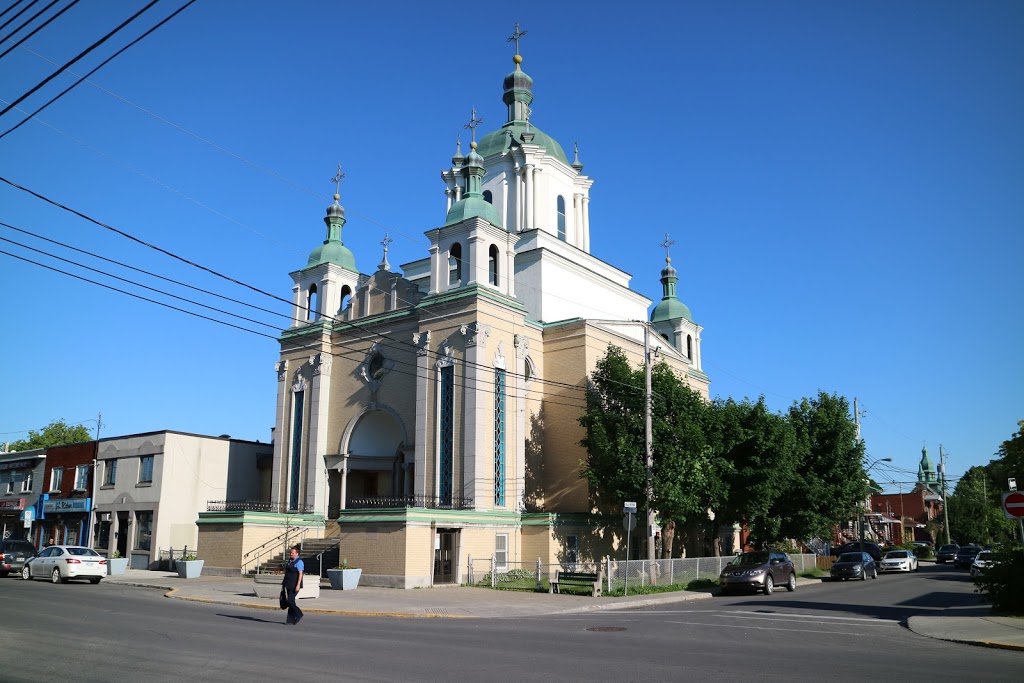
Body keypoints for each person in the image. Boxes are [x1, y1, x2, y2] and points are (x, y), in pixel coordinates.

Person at [282, 545, 304, 625]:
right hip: (288, 584)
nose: (291, 554)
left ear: (297, 554)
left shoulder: (299, 562)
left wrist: (298, 585)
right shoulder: (290, 561)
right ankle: (290, 620)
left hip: (295, 585)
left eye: (292, 553)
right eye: (290, 553)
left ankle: (299, 614)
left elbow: (300, 573)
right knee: (291, 601)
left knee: (290, 600)